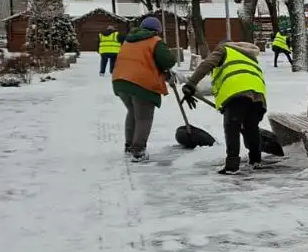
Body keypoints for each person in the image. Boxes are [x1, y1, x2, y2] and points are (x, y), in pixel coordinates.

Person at [181, 40, 268, 175]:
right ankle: (255, 160)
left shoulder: (224, 49)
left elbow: (207, 64)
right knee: (251, 128)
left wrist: (191, 84)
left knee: (232, 127)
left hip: (237, 92)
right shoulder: (248, 56)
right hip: (258, 96)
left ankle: (232, 166)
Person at [112, 17, 176, 161]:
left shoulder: (129, 40)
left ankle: (129, 146)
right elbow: (168, 61)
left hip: (120, 81)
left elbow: (143, 60)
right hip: (141, 83)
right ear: (157, 30)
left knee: (132, 112)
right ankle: (138, 151)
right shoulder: (155, 41)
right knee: (143, 118)